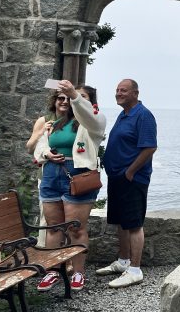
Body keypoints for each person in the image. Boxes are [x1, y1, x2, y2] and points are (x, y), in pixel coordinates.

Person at [32, 80, 107, 293]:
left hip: (77, 175)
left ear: (91, 103)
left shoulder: (94, 121)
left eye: (83, 98)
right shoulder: (57, 122)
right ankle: (53, 270)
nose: (74, 100)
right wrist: (46, 153)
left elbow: (88, 116)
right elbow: (41, 147)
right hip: (51, 175)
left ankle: (78, 272)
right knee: (53, 227)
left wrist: (74, 95)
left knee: (75, 227)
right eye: (73, 96)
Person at [96, 79, 158, 289]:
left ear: (135, 93)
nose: (118, 93)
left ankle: (135, 269)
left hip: (132, 179)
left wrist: (130, 172)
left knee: (133, 224)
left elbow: (149, 148)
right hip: (117, 178)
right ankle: (123, 262)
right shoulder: (124, 115)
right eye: (117, 90)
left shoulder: (143, 115)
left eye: (123, 90)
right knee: (121, 221)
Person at [26, 93, 58, 247]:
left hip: (68, 173)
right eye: (60, 98)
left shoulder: (74, 120)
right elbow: (29, 147)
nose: (64, 102)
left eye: (68, 99)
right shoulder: (44, 119)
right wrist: (41, 132)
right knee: (46, 213)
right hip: (46, 173)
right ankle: (44, 248)